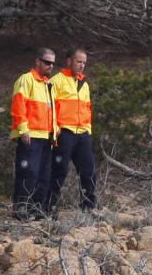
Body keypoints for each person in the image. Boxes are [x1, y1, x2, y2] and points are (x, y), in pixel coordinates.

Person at [10, 48, 58, 219]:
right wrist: (23, 129)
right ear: (37, 61)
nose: (50, 66)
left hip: (46, 136)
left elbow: (51, 112)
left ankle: (36, 209)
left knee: (43, 175)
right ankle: (21, 207)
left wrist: (54, 133)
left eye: (52, 63)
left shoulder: (48, 85)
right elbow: (18, 106)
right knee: (28, 172)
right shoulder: (26, 79)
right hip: (31, 135)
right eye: (47, 62)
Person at [48, 47, 96, 213]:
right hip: (65, 133)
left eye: (84, 62)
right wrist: (56, 130)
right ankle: (49, 207)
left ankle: (89, 207)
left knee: (88, 171)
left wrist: (88, 130)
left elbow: (88, 109)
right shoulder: (57, 81)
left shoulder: (84, 84)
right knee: (59, 170)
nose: (82, 65)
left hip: (83, 134)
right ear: (69, 61)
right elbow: (50, 109)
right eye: (79, 61)